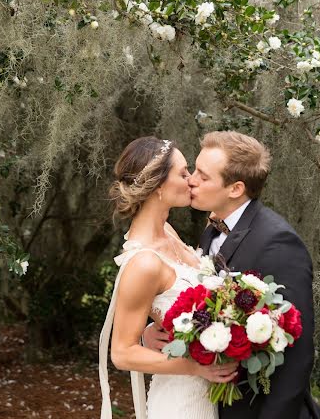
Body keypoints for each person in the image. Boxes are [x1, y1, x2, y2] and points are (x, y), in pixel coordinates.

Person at [144, 130, 320, 419]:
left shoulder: (278, 244)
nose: (191, 180)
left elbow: (298, 355)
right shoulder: (213, 229)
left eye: (203, 176)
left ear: (235, 189)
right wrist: (158, 332)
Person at [99, 136, 238, 419]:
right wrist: (194, 367)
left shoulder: (169, 233)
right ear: (159, 185)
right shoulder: (144, 262)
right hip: (181, 401)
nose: (191, 180)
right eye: (184, 173)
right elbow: (122, 353)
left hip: (207, 391)